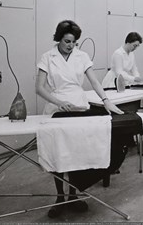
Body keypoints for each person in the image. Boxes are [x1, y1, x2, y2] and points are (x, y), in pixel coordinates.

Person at [36, 20, 123, 218]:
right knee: (58, 154)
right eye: (67, 41)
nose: (70, 45)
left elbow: (94, 81)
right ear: (59, 38)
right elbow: (39, 88)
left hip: (79, 105)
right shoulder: (47, 57)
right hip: (56, 108)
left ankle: (73, 195)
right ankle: (59, 197)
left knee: (75, 153)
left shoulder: (81, 56)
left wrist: (106, 101)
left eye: (74, 42)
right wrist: (57, 101)